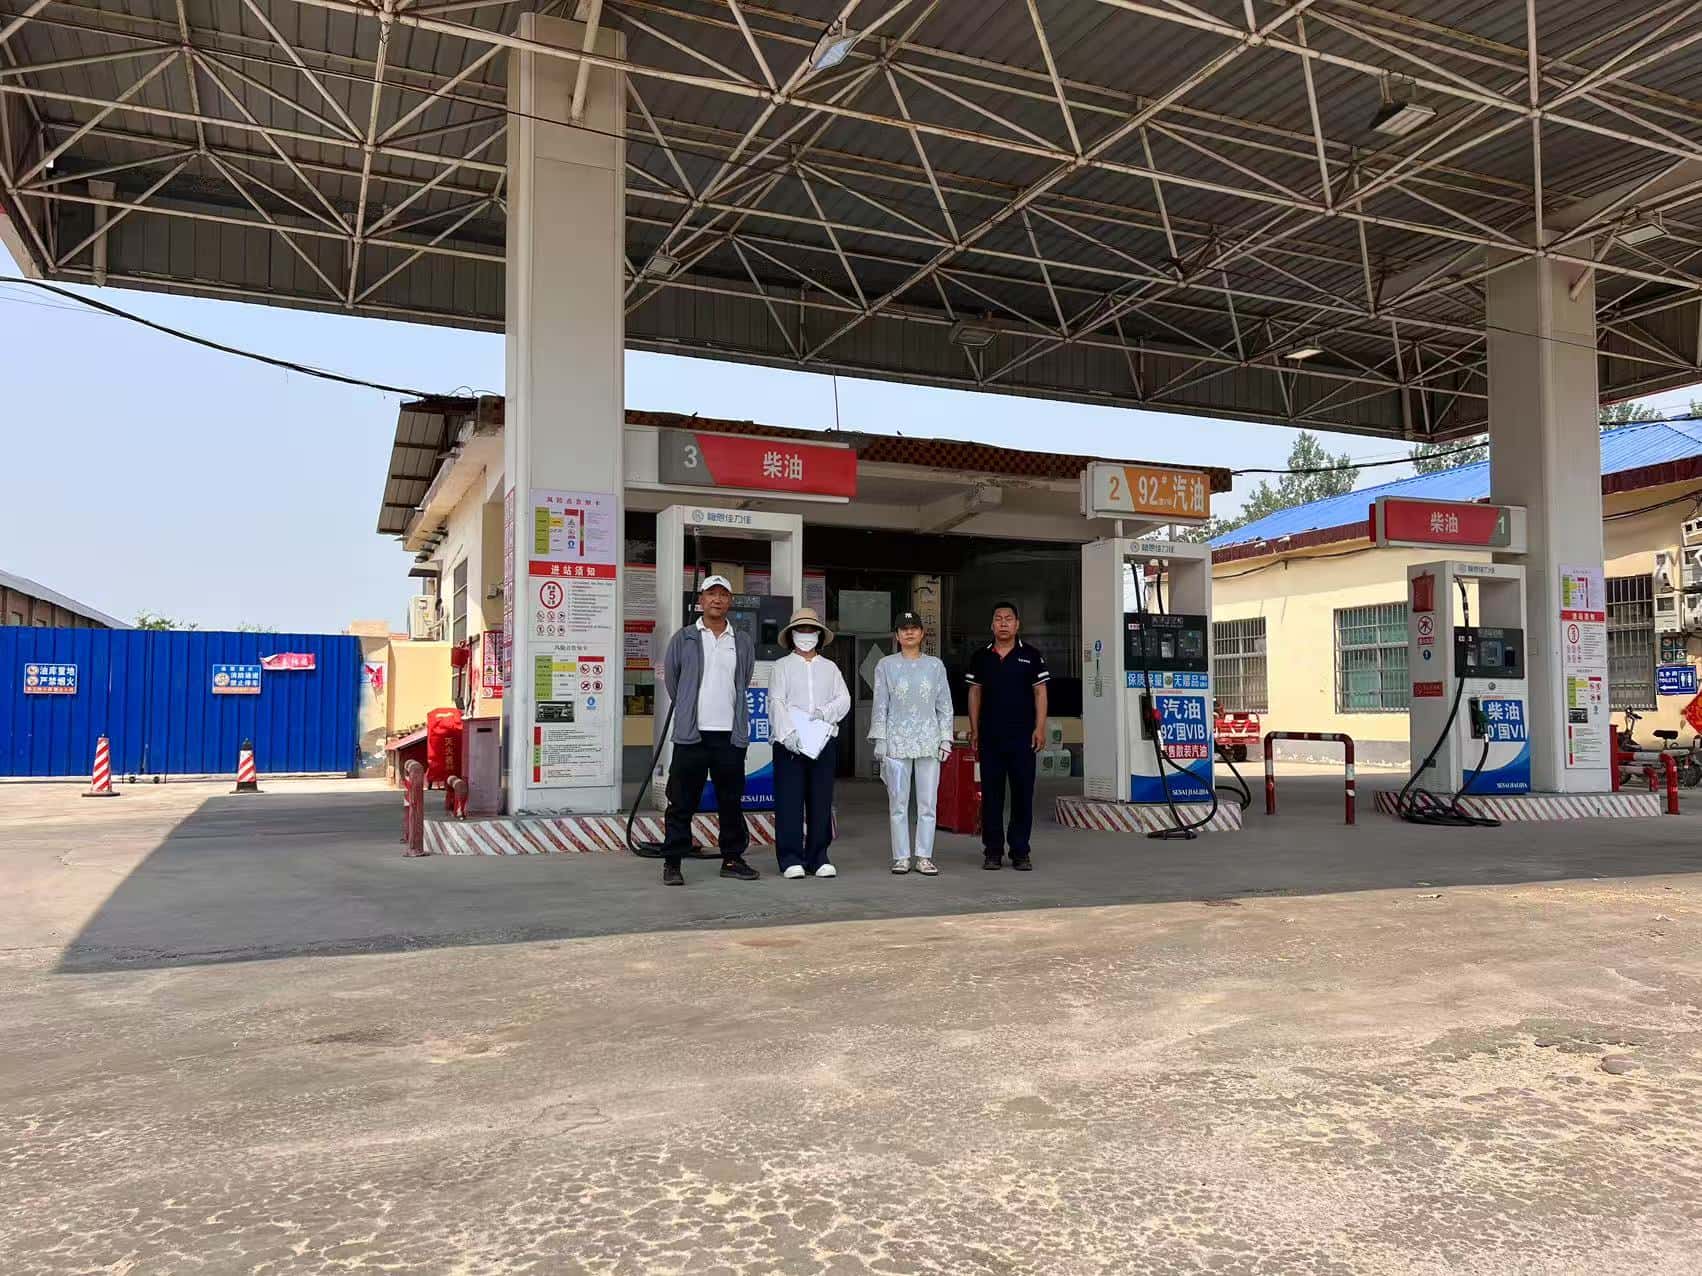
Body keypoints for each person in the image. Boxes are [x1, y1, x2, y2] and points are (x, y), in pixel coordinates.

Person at [657, 576, 761, 887]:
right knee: (681, 801)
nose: (717, 599)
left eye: (723, 594)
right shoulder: (685, 638)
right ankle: (673, 862)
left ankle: (732, 859)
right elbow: (673, 681)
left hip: (729, 735)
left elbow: (743, 679)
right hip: (692, 735)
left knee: (730, 800)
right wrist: (689, 708)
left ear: (730, 601)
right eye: (711, 594)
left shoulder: (741, 640)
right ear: (700, 600)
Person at [767, 607, 852, 880]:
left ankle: (819, 857)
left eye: (810, 630)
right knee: (789, 800)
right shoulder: (781, 666)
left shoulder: (830, 668)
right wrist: (787, 734)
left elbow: (844, 699)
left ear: (819, 635)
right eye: (800, 630)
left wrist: (825, 713)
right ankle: (790, 858)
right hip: (790, 743)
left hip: (822, 741)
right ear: (791, 635)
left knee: (821, 800)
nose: (806, 635)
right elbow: (776, 702)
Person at [966, 601, 1049, 871]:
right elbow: (975, 692)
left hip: (1023, 738)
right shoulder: (981, 656)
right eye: (998, 619)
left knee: (1023, 795)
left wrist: (1040, 727)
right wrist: (974, 728)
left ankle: (1020, 851)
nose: (1003, 623)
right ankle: (992, 851)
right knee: (992, 796)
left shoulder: (1031, 656)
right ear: (992, 625)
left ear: (1017, 624)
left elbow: (1040, 692)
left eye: (1008, 618)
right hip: (990, 737)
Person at [869, 611, 954, 876]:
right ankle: (902, 857)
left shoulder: (935, 666)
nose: (909, 632)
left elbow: (945, 705)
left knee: (928, 803)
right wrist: (880, 739)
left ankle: (924, 856)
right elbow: (880, 704)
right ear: (896, 635)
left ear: (922, 633)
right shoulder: (885, 665)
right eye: (904, 629)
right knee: (898, 802)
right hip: (896, 741)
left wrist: (946, 738)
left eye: (914, 628)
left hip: (929, 741)